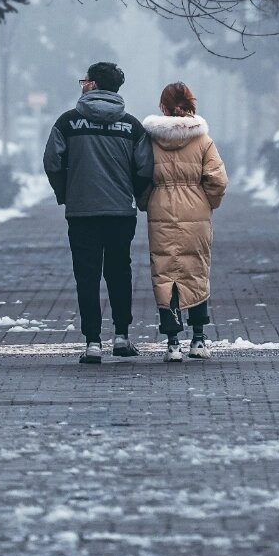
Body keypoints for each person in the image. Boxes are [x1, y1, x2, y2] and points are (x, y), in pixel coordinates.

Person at [43, 60, 153, 364]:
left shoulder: (67, 122)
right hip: (120, 213)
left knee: (86, 276)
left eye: (85, 81)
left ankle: (92, 342)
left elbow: (52, 161)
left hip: (81, 214)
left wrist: (66, 193)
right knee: (120, 273)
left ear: (92, 85)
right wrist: (132, 192)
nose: (83, 85)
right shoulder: (131, 126)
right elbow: (145, 167)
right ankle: (121, 337)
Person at [141, 81, 228, 360]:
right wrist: (207, 202)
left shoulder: (150, 139)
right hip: (196, 210)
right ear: (191, 104)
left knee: (165, 273)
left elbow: (140, 175)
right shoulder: (203, 140)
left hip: (161, 209)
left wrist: (146, 201)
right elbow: (218, 180)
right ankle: (199, 340)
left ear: (163, 107)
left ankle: (172, 343)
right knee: (196, 270)